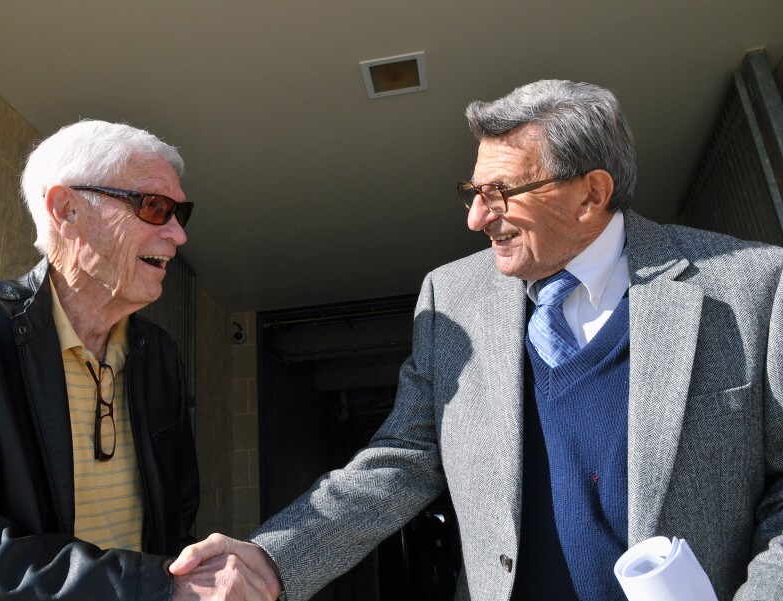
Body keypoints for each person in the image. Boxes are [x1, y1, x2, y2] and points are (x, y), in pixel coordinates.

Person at [170, 80, 783, 600]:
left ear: (591, 194)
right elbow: (402, 460)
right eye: (473, 193)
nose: (476, 218)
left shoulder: (752, 287)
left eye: (501, 194)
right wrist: (271, 559)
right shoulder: (452, 296)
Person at [0, 120, 278, 600]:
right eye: (154, 206)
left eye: (180, 213)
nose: (178, 235)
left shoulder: (158, 354)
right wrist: (152, 587)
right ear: (67, 210)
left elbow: (174, 523)